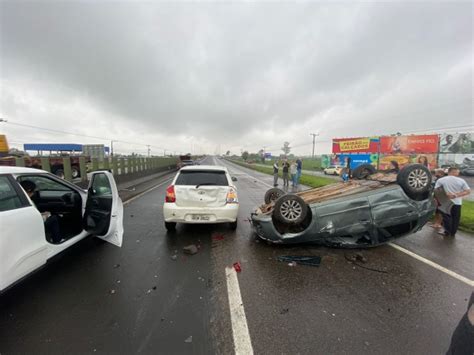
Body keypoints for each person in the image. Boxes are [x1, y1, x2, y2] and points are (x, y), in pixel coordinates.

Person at [434, 167, 471, 237]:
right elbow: (468, 191)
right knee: (455, 218)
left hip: (445, 202)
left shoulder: (441, 180)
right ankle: (453, 233)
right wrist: (456, 195)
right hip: (457, 202)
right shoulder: (461, 180)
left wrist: (446, 194)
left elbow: (436, 190)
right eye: (457, 172)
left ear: (448, 172)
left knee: (447, 217)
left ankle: (447, 232)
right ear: (455, 172)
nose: (458, 174)